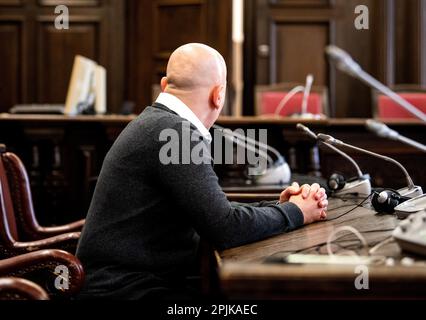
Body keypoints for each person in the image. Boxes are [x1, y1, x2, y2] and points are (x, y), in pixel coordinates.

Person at [76, 43, 328, 300]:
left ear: (165, 85)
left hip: (129, 284)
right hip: (124, 291)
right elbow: (225, 228)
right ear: (218, 95)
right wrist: (296, 212)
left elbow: (214, 213)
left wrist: (279, 206)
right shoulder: (177, 134)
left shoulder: (161, 124)